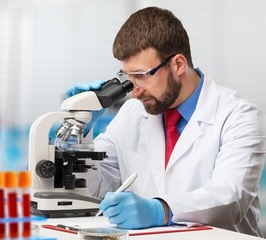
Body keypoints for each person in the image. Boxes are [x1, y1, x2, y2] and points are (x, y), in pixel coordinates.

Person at [65, 6, 266, 237]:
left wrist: (160, 210)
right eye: (128, 77)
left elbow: (232, 198)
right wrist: (80, 131)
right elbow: (95, 188)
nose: (134, 92)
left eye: (141, 76)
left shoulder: (239, 115)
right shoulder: (132, 113)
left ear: (178, 64)